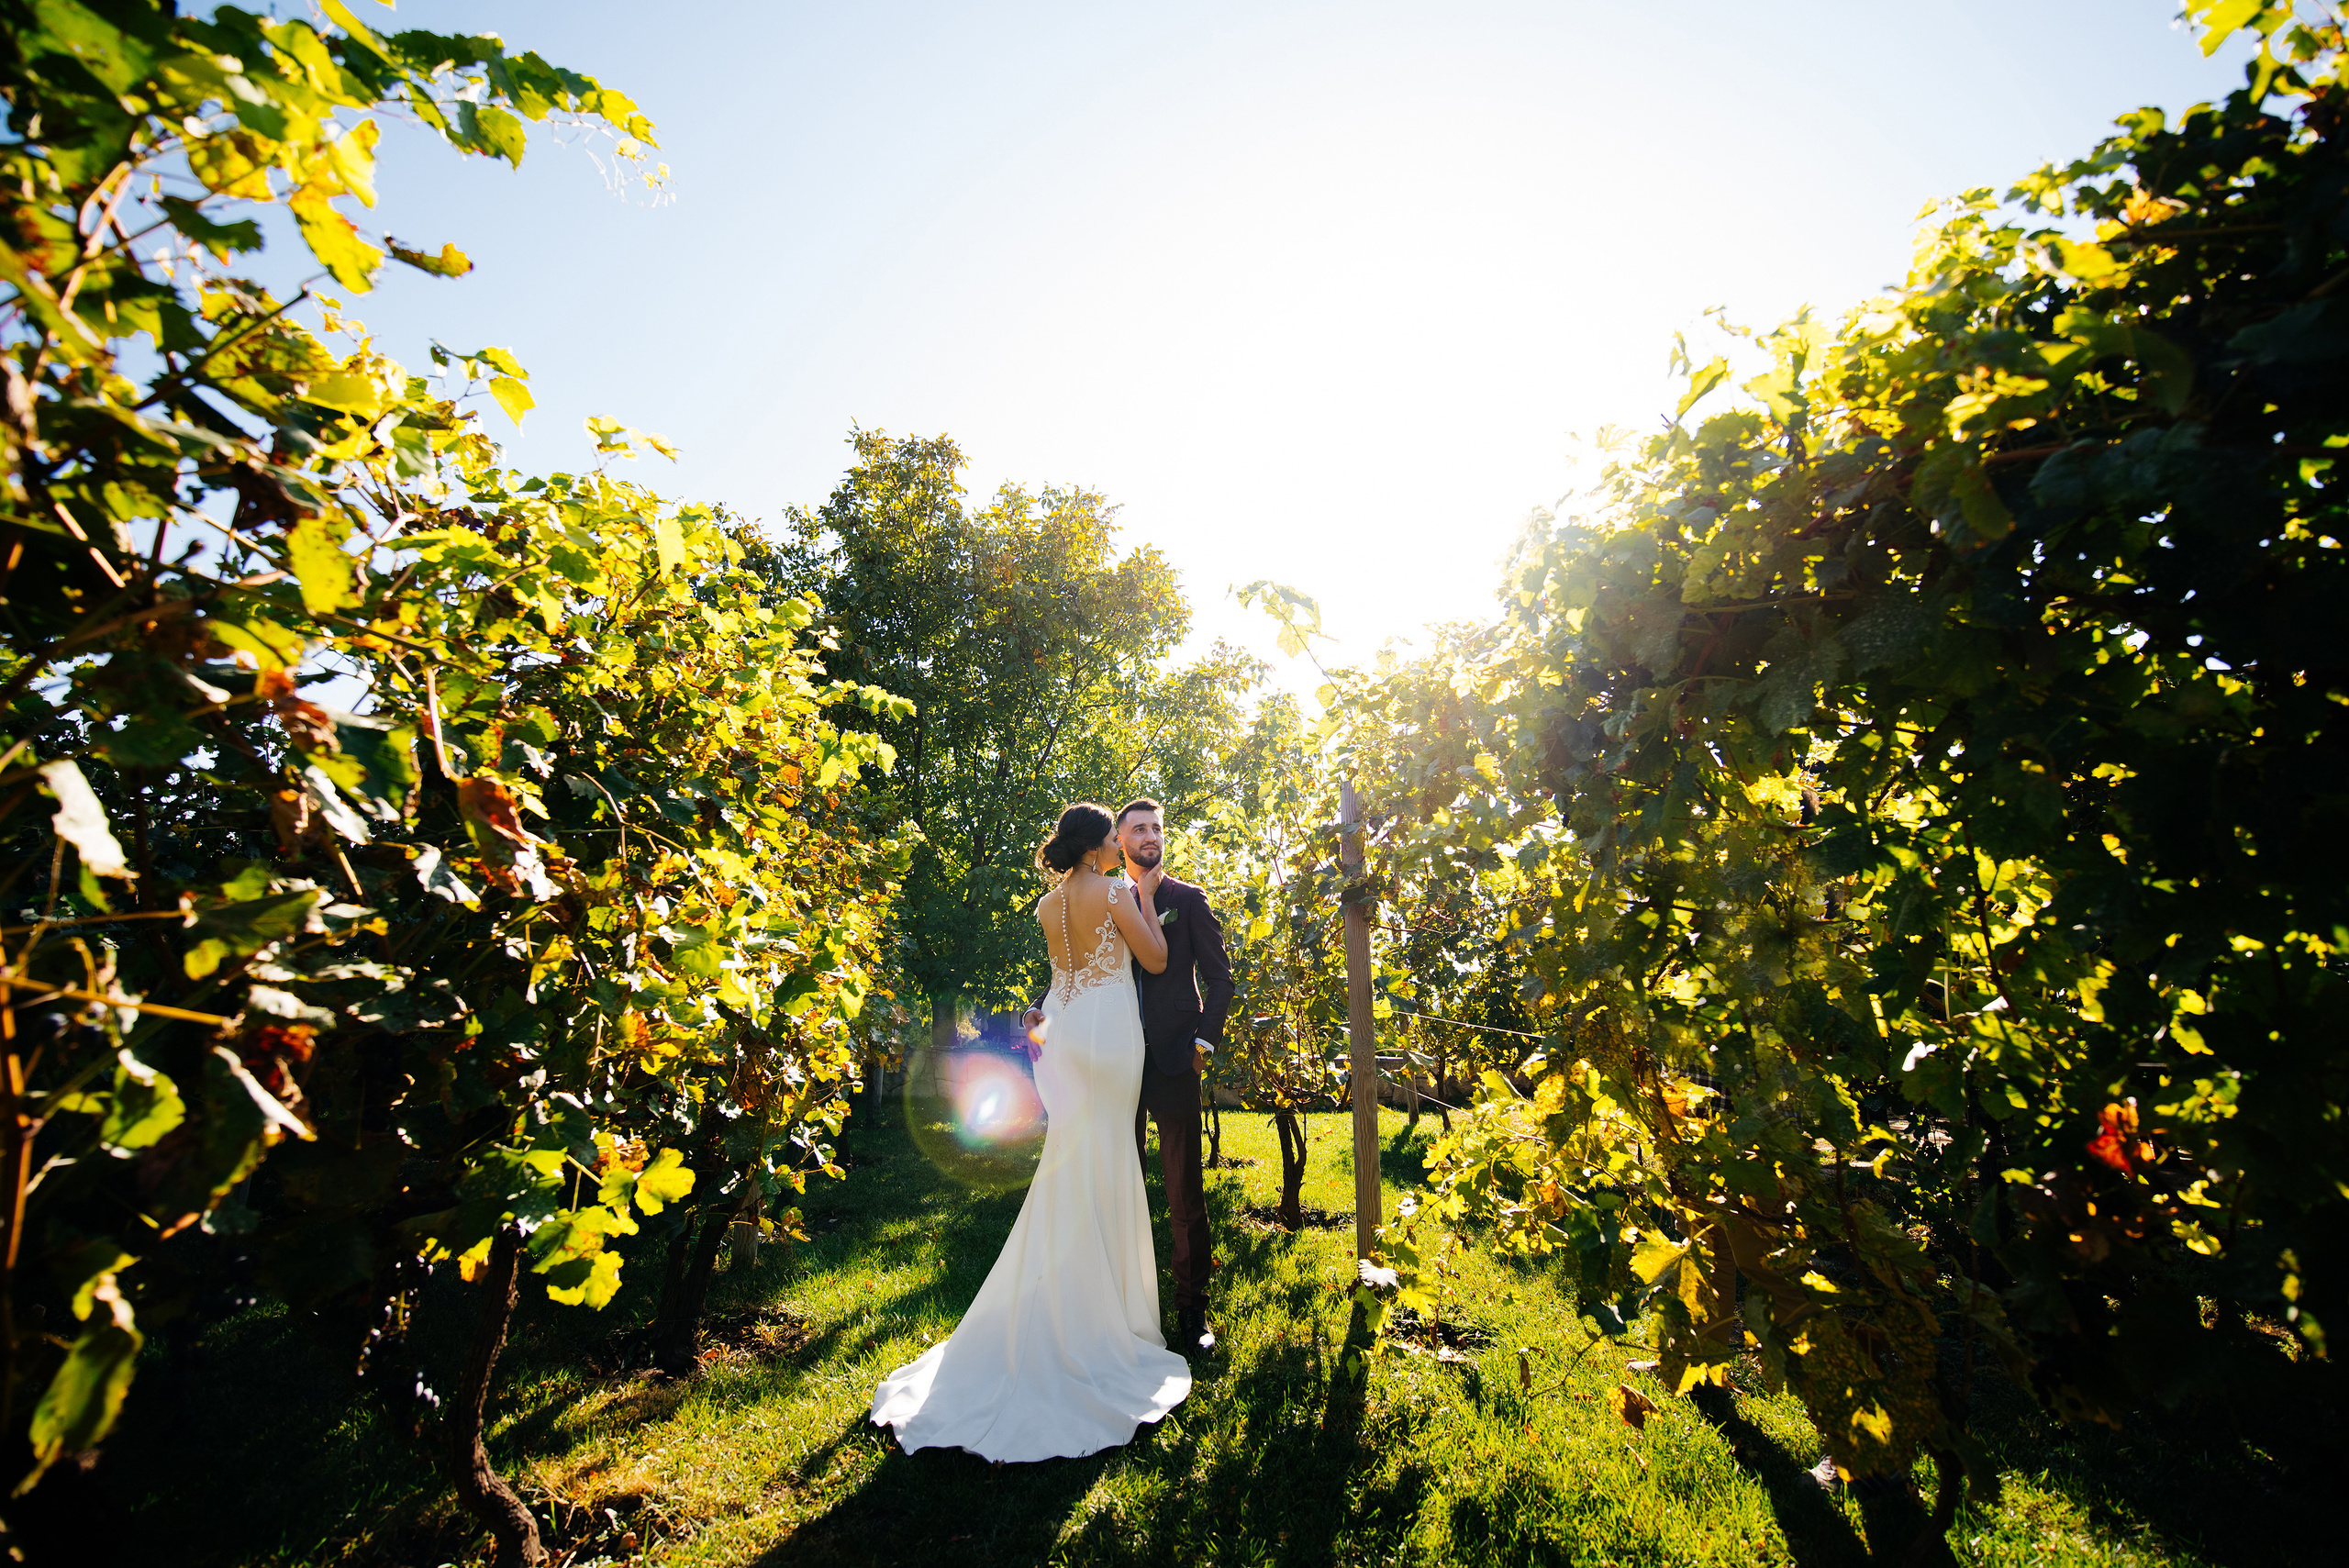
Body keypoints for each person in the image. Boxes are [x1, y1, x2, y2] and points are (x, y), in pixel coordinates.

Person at [868, 803, 1192, 1462]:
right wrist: (1145, 898)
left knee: (1073, 1159)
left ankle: (1076, 1295)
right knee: (1104, 1157)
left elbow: (1057, 978)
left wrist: (1039, 1021)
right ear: (1099, 844)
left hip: (1060, 1029)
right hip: (1105, 1031)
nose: (1117, 845)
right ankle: (1108, 1319)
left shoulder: (1048, 905)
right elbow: (1154, 960)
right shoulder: (1117, 888)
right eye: (1112, 837)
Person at [1025, 796, 1233, 1357]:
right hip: (1110, 1059)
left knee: (1183, 1188)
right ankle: (1114, 1307)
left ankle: (1191, 1314)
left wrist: (1202, 1042)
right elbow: (1082, 971)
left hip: (1168, 1059)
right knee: (1114, 1181)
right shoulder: (1112, 891)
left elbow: (1220, 979)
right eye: (1136, 829)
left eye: (1155, 828)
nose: (1147, 836)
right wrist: (1043, 1013)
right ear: (1115, 840)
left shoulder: (1187, 900)